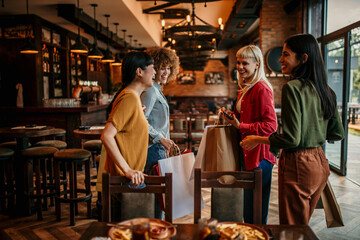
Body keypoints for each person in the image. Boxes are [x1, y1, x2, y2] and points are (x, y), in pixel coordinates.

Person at [240, 34, 344, 225]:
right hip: (320, 163)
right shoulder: (326, 90)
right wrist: (313, 132)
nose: (280, 59)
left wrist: (257, 139)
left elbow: (291, 140)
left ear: (303, 58)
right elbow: (337, 133)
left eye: (286, 54)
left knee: (292, 229)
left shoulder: (292, 88)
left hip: (298, 165)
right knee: (301, 226)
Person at [220, 45, 277, 224]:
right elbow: (244, 118)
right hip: (248, 154)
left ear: (257, 64)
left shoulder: (261, 88)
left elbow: (271, 126)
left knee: (257, 212)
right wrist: (231, 116)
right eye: (238, 62)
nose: (240, 66)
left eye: (245, 63)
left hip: (260, 157)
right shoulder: (246, 88)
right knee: (249, 209)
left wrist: (240, 125)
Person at [101, 51, 155, 187]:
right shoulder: (129, 97)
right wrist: (127, 170)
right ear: (139, 72)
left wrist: (137, 114)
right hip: (128, 179)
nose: (155, 72)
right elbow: (106, 136)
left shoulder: (132, 97)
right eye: (152, 67)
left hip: (132, 177)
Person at [140, 47, 179, 219]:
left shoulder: (157, 89)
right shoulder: (150, 90)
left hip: (159, 148)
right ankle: (157, 230)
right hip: (153, 149)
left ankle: (158, 228)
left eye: (169, 68)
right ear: (154, 68)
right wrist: (160, 138)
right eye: (162, 67)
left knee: (160, 196)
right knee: (157, 197)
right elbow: (141, 120)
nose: (166, 72)